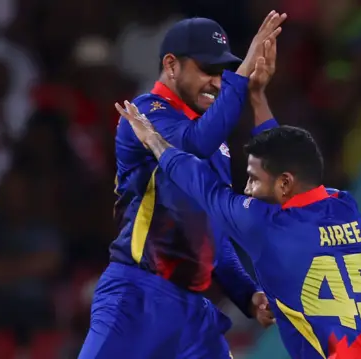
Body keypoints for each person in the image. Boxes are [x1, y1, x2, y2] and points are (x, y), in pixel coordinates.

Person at [115, 101, 361, 359]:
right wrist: (259, 97)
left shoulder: (264, 225)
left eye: (253, 180)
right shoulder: (344, 206)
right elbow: (282, 160)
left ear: (285, 183)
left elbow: (201, 183)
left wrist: (153, 139)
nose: (248, 190)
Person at [79, 11, 287, 359]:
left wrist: (248, 297)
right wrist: (245, 71)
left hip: (193, 312)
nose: (218, 82)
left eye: (223, 73)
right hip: (139, 295)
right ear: (172, 65)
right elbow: (191, 146)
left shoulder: (213, 139)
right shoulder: (145, 113)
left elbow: (212, 233)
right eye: (207, 69)